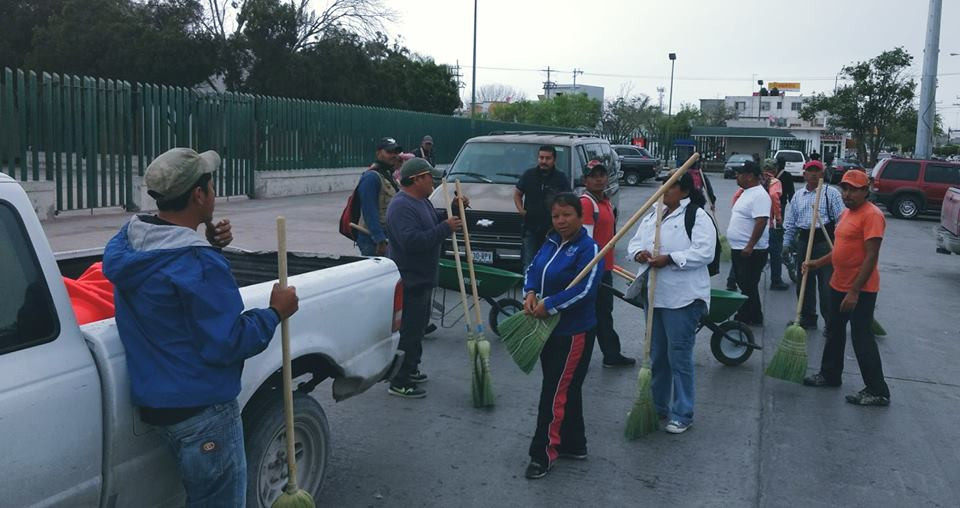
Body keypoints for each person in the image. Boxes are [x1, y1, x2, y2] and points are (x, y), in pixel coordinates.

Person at [103, 147, 299, 506]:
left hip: (158, 404)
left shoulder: (127, 242)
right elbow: (227, 342)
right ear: (199, 194)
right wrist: (275, 312)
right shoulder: (199, 264)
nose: (215, 193)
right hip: (203, 412)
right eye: (212, 185)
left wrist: (206, 242)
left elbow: (169, 292)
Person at [627, 172, 717, 435]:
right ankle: (657, 405)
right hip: (654, 296)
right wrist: (639, 253)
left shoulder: (697, 216)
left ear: (685, 190)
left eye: (671, 185)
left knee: (679, 356)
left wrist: (670, 258)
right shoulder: (654, 213)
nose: (664, 190)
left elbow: (704, 253)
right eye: (663, 184)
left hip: (683, 298)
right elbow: (634, 242)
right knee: (657, 355)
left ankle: (682, 412)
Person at [521, 193, 602, 479]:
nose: (561, 221)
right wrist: (530, 292)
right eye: (556, 216)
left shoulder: (589, 248)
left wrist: (550, 303)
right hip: (547, 329)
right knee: (566, 388)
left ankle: (542, 454)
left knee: (554, 392)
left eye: (567, 215)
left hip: (573, 332)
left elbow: (585, 290)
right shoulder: (551, 241)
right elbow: (533, 268)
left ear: (580, 216)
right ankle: (573, 443)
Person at [802, 170, 890, 406]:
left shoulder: (872, 216)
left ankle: (877, 390)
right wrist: (816, 263)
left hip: (861, 289)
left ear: (865, 191)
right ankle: (830, 375)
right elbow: (840, 250)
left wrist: (854, 291)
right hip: (837, 283)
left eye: (853, 189)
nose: (847, 194)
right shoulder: (845, 213)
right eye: (845, 188)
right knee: (834, 331)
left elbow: (871, 257)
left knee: (862, 337)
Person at [385, 158, 464, 398]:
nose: (434, 181)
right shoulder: (401, 206)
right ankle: (399, 379)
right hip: (410, 280)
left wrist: (455, 210)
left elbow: (434, 221)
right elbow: (413, 242)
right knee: (409, 332)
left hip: (423, 278)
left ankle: (412, 368)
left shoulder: (422, 202)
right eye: (430, 176)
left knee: (418, 329)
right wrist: (445, 229)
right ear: (417, 179)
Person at [580, 161, 634, 368]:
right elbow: (586, 241)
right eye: (594, 175)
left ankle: (610, 354)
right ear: (586, 180)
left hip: (605, 267)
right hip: (593, 269)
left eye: (602, 175)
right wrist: (590, 270)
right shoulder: (587, 203)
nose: (599, 179)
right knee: (597, 314)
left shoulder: (606, 202)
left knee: (603, 313)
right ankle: (601, 354)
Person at [782, 160, 845, 330]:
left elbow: (842, 220)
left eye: (817, 171)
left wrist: (840, 244)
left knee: (826, 286)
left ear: (822, 174)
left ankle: (830, 322)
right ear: (804, 174)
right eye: (810, 171)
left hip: (824, 241)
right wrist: (786, 243)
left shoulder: (830, 194)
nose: (813, 174)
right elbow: (791, 222)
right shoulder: (798, 196)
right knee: (804, 283)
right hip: (803, 241)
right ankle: (807, 318)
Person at [726, 160, 770, 326]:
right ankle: (751, 314)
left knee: (748, 284)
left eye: (739, 173)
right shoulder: (746, 192)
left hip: (751, 250)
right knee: (744, 283)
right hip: (740, 248)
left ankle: (749, 315)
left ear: (750, 176)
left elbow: (761, 221)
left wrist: (750, 245)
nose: (736, 176)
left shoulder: (759, 195)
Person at [515, 145, 571, 271]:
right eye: (541, 158)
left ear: (554, 160)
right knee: (529, 264)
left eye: (547, 158)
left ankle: (546, 290)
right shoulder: (529, 175)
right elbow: (517, 194)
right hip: (531, 228)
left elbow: (568, 200)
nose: (544, 161)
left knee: (550, 263)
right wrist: (521, 211)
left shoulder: (560, 178)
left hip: (553, 230)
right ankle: (528, 290)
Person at [356, 137, 402, 256]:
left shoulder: (388, 175)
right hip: (373, 241)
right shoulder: (371, 177)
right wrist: (379, 239)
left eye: (396, 152)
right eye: (389, 152)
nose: (394, 155)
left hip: (388, 237)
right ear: (378, 153)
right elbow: (369, 210)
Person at [762, 159, 789, 290]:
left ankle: (732, 281)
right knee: (775, 252)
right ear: (775, 170)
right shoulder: (775, 182)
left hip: (755, 223)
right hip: (769, 223)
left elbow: (737, 195)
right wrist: (778, 216)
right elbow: (773, 195)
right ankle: (776, 280)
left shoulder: (756, 181)